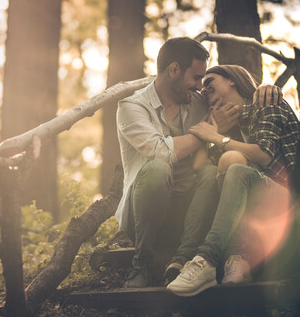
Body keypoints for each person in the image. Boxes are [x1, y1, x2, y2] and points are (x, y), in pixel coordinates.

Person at [115, 38, 279, 288]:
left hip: (192, 210)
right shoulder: (132, 107)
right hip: (144, 214)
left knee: (209, 172)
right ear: (173, 70)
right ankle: (142, 263)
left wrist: (265, 88)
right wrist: (213, 129)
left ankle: (185, 260)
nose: (200, 86)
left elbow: (235, 98)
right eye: (195, 77)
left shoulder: (198, 101)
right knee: (158, 168)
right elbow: (161, 151)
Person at [166, 64, 300, 296]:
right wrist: (215, 130)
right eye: (202, 89)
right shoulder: (224, 122)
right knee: (222, 165)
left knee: (235, 164)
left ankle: (206, 258)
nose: (204, 90)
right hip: (248, 206)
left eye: (210, 83)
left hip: (282, 198)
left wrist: (217, 137)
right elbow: (200, 167)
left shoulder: (266, 102)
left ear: (232, 80)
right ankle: (235, 259)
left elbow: (264, 155)